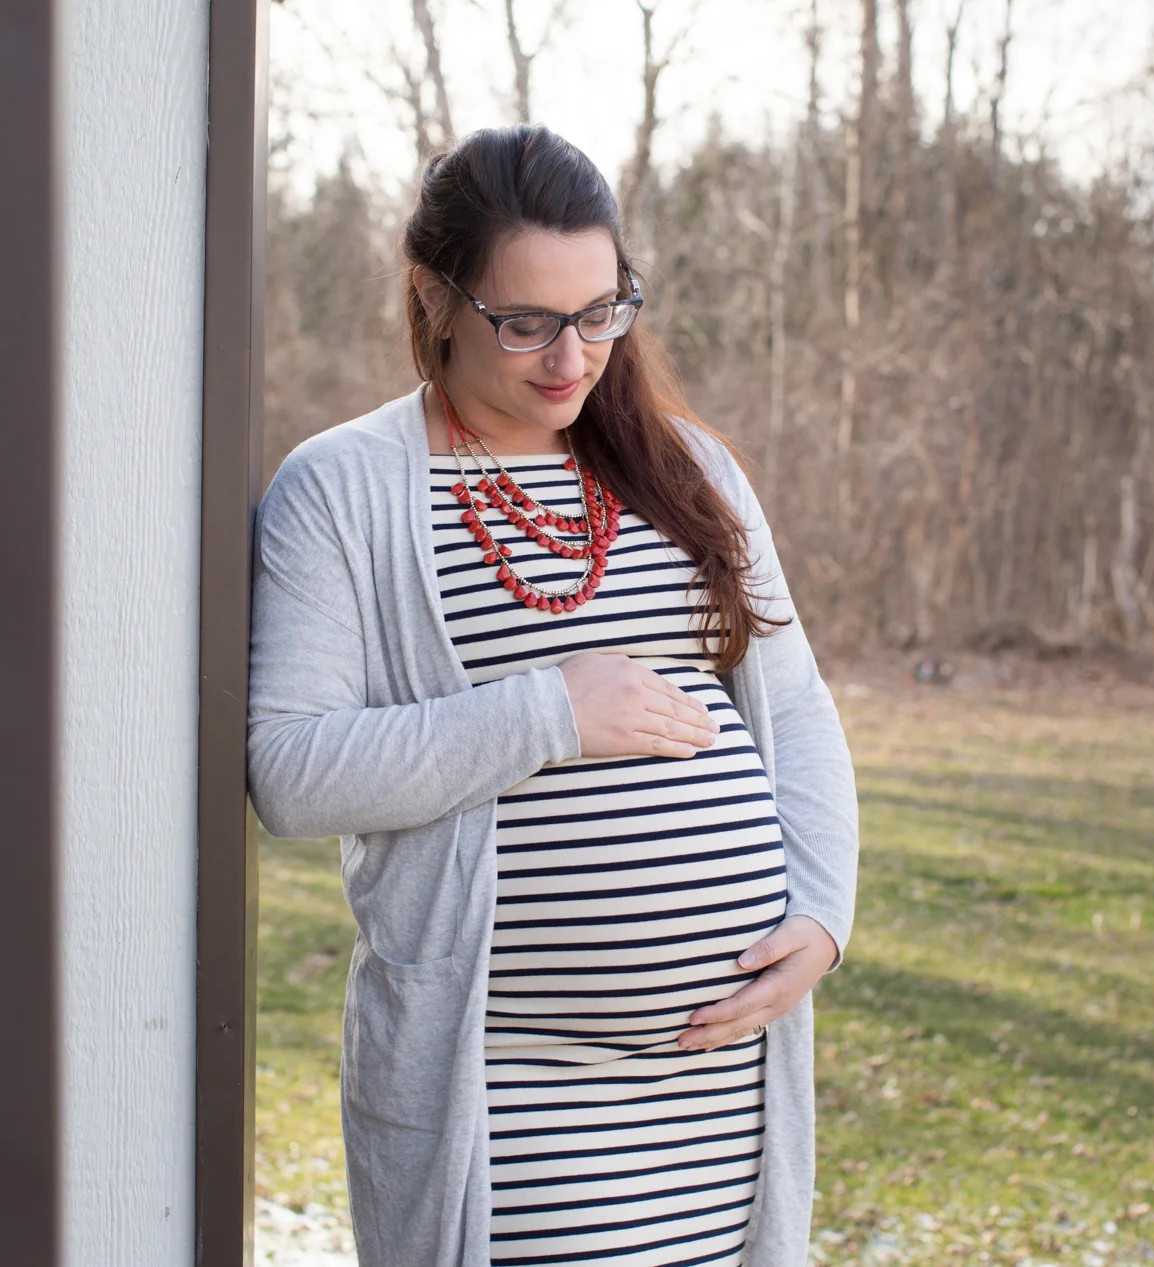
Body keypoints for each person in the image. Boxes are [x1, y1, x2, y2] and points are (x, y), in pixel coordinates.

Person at [247, 124, 859, 1267]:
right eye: (524, 322)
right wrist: (551, 715)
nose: (571, 358)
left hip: (721, 1085)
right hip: (507, 1092)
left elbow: (798, 710)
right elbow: (291, 766)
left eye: (600, 312)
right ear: (434, 297)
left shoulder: (688, 470)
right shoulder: (342, 489)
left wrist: (824, 910)